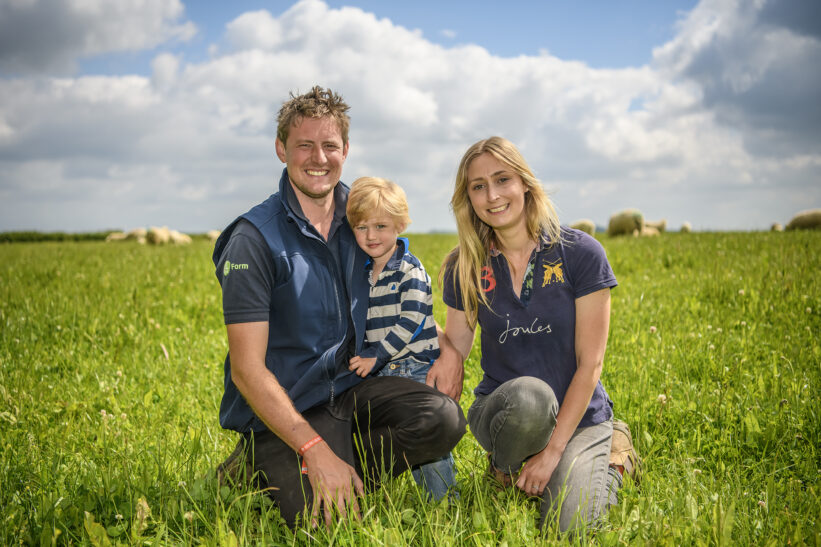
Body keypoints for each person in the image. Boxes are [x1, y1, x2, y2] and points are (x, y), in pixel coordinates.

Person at [212, 86, 466, 528]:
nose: (319, 157)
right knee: (329, 527)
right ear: (281, 149)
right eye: (304, 145)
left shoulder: (362, 217)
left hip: (350, 390)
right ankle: (261, 465)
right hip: (288, 408)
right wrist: (313, 450)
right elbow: (246, 370)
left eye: (329, 145)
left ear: (345, 150)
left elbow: (402, 290)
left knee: (441, 418)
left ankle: (339, 467)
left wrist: (448, 349)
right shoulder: (254, 240)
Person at [439, 136, 640, 533]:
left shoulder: (581, 253)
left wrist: (553, 454)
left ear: (525, 184)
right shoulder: (464, 265)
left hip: (579, 418)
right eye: (478, 186)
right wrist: (430, 333)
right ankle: (506, 467)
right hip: (507, 411)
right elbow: (455, 346)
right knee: (531, 397)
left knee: (570, 529)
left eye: (502, 180)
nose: (492, 195)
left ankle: (614, 456)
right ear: (469, 198)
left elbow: (591, 364)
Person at [345, 176, 458, 502]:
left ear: (400, 225)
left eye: (381, 226)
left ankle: (443, 504)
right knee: (402, 435)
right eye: (362, 227)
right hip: (385, 369)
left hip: (414, 367)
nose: (371, 236)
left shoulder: (410, 270)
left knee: (429, 439)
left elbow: (410, 320)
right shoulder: (365, 274)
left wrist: (376, 354)